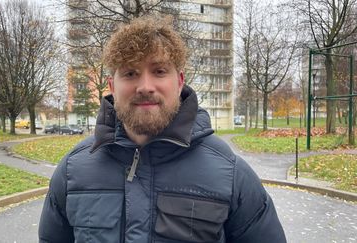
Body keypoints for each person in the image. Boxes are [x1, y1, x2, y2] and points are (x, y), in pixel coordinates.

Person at [39, 15, 286, 243]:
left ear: (179, 82)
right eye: (130, 72)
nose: (145, 86)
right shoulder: (72, 171)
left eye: (159, 71)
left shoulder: (231, 175)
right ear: (112, 86)